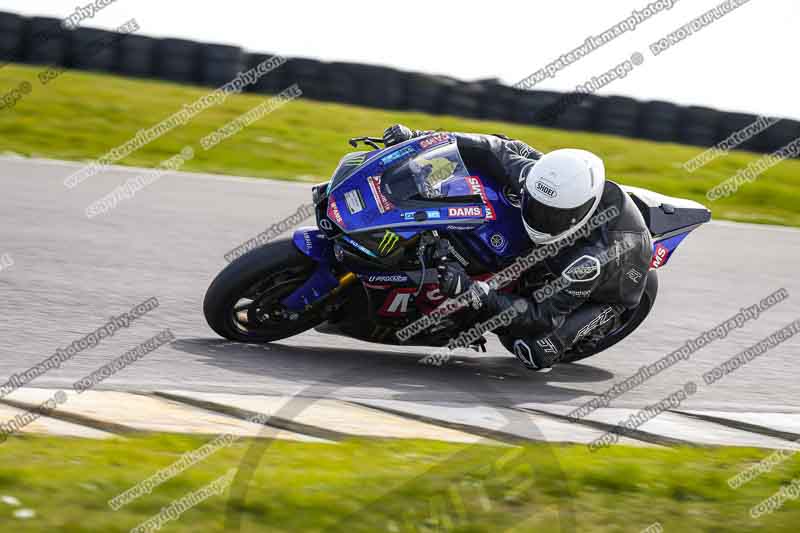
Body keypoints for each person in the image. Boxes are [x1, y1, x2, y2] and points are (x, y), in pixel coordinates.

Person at [383, 124, 654, 371]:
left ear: (578, 213)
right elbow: (492, 147)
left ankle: (587, 329)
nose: (540, 219)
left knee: (537, 351)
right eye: (536, 205)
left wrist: (472, 292)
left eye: (552, 215)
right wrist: (418, 138)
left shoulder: (590, 260)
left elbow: (541, 316)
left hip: (616, 286)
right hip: (559, 245)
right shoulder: (537, 179)